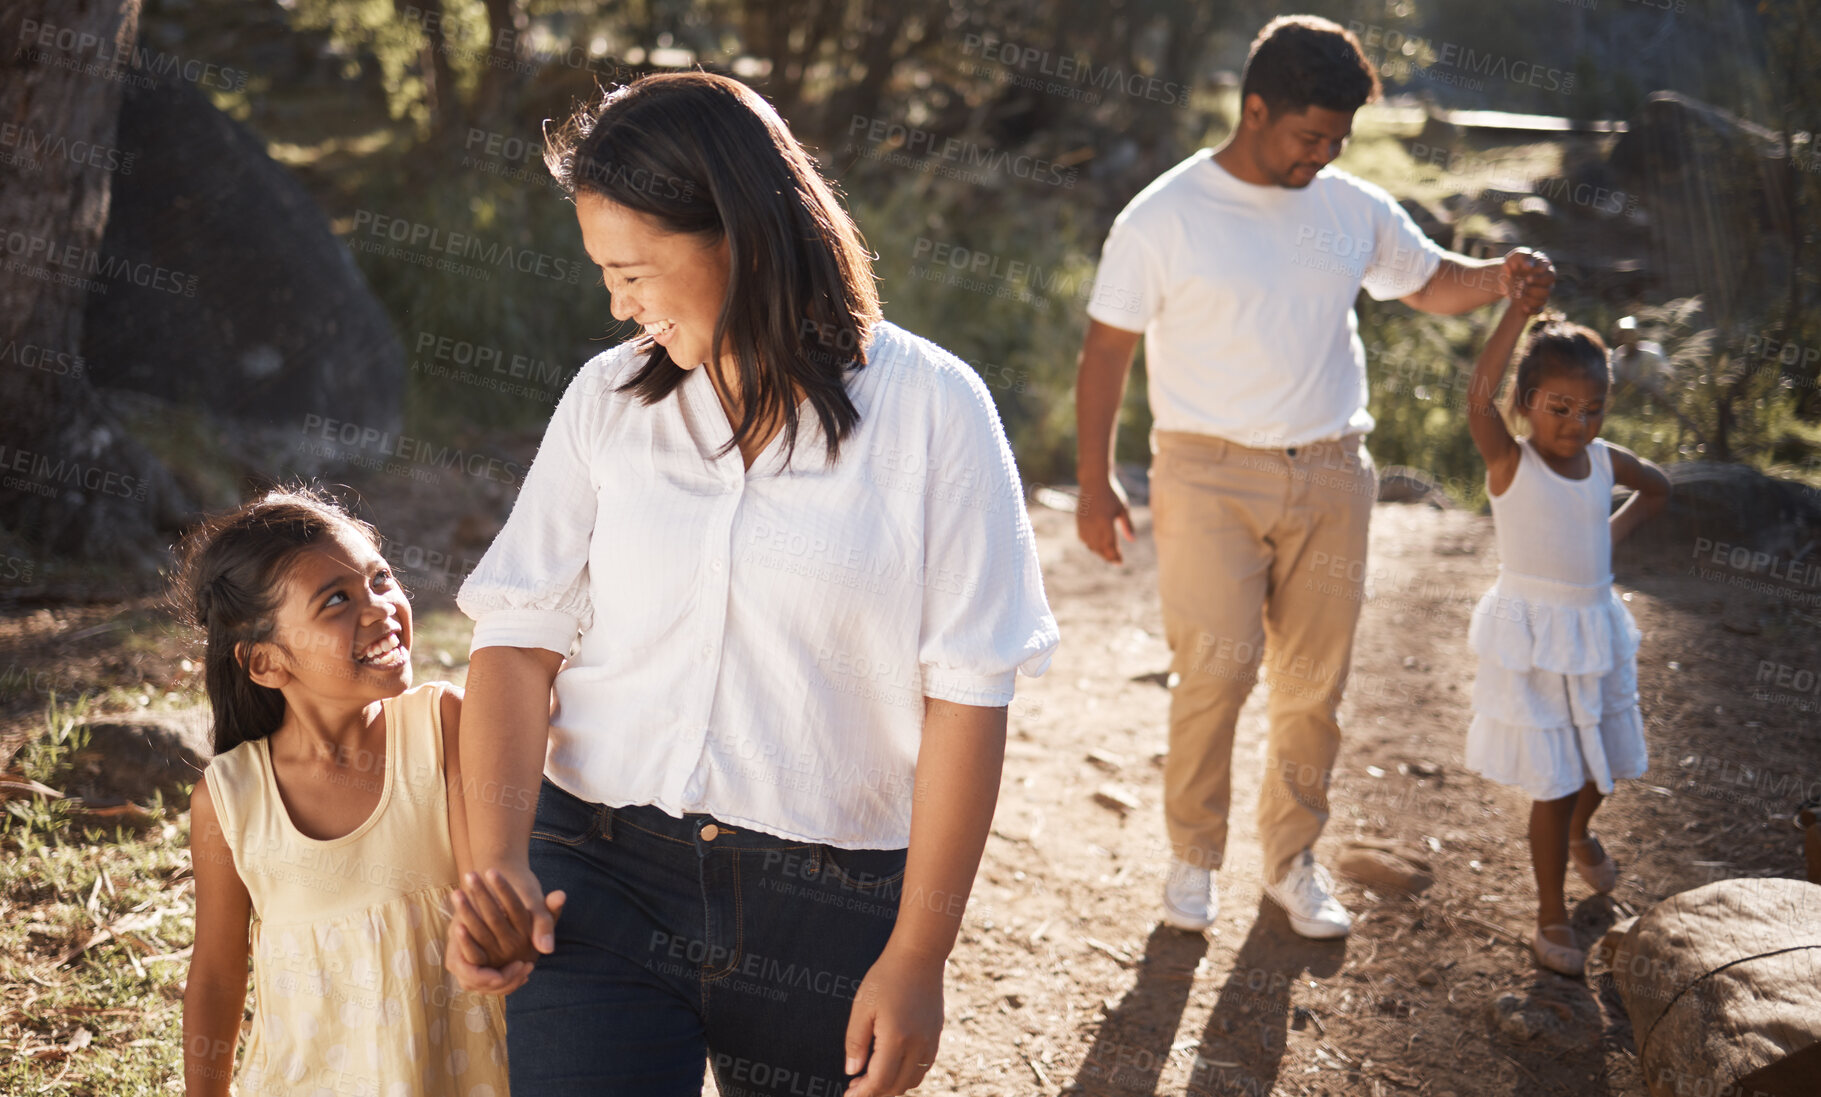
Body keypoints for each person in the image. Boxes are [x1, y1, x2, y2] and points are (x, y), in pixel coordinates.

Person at [443, 72, 1059, 1097]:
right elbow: (518, 634)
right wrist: (498, 857)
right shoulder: (606, 400)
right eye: (605, 274)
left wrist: (919, 954)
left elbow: (969, 694)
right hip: (596, 877)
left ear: (738, 229)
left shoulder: (938, 412)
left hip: (829, 906)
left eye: (633, 270)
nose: (618, 302)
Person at [1073, 13, 1556, 939]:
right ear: (1254, 109)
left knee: (1311, 684)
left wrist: (1499, 278)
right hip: (1204, 471)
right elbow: (1105, 355)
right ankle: (1191, 860)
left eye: (1337, 139)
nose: (1322, 155)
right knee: (1213, 673)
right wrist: (1096, 485)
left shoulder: (1351, 206)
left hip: (1333, 470)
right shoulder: (1162, 216)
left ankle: (1291, 861)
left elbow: (1428, 281)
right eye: (1308, 136)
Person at [178, 488, 516, 1095]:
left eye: (381, 578)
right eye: (336, 600)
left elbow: (482, 891)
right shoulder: (230, 799)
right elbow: (216, 975)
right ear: (265, 663)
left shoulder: (442, 729)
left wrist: (500, 941)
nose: (379, 607)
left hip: (459, 1076)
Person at [1463, 292, 1669, 976]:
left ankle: (1582, 830)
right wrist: (1515, 313)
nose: (1576, 424)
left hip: (1595, 630)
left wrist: (1605, 537)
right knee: (1552, 783)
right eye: (1559, 408)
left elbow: (1659, 485)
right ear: (1525, 402)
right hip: (1533, 639)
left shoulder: (1606, 461)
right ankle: (1549, 912)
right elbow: (1474, 397)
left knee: (1602, 764)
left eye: (1592, 410)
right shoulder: (1511, 463)